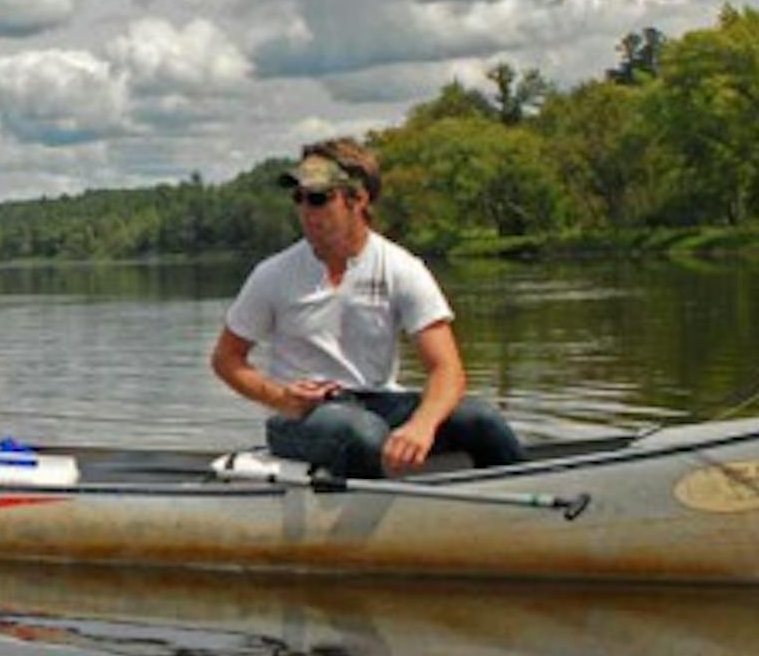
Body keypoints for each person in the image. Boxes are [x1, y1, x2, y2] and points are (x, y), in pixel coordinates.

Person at [209, 138, 525, 479]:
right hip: (302, 417)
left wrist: (422, 425)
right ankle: (377, 524)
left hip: (379, 404)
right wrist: (281, 397)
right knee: (363, 434)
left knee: (482, 419)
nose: (305, 210)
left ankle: (526, 509)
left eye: (318, 198)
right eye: (298, 198)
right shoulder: (272, 275)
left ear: (358, 199)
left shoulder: (401, 268)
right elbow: (227, 359)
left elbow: (447, 370)